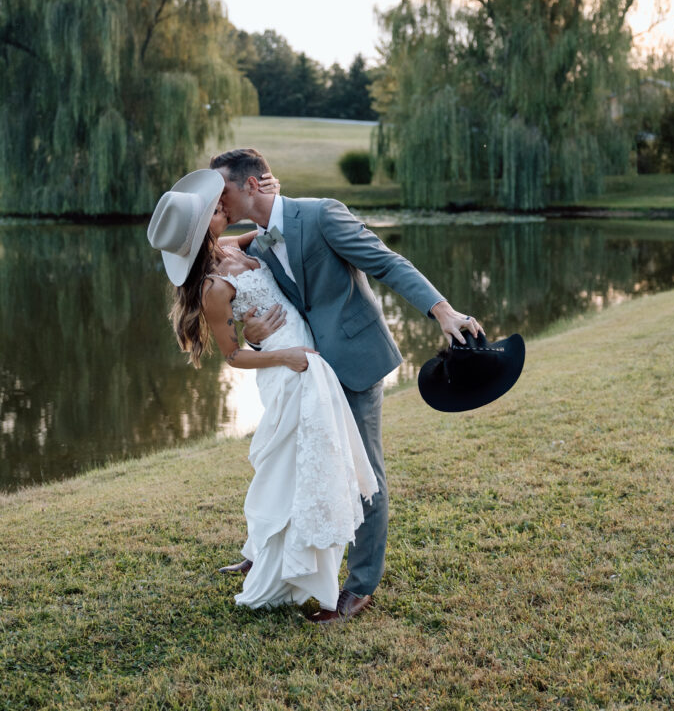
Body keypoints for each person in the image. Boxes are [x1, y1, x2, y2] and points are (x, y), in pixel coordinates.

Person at [208, 147, 483, 624]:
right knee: (294, 462)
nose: (218, 200)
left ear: (250, 185)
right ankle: (267, 555)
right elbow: (241, 292)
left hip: (354, 360)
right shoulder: (250, 245)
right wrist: (253, 335)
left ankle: (358, 587)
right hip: (304, 371)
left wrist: (443, 310)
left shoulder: (322, 214)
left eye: (222, 190)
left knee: (363, 474)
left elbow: (387, 262)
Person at [148, 169, 378, 615]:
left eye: (218, 205)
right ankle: (290, 566)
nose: (223, 208)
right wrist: (283, 356)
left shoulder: (236, 246)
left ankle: (275, 557)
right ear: (201, 235)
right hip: (288, 368)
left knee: (307, 465)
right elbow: (232, 356)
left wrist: (270, 192)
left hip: (309, 360)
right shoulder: (213, 287)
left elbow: (277, 229)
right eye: (214, 212)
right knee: (293, 467)